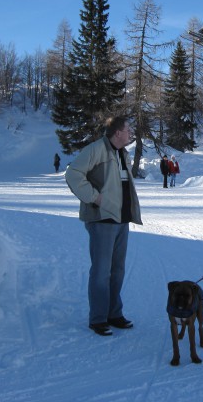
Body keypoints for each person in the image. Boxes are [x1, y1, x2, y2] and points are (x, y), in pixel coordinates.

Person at [65, 116, 143, 336]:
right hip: (101, 220)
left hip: (121, 219)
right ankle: (98, 318)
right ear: (117, 133)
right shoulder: (97, 149)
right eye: (128, 129)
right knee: (101, 271)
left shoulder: (122, 153)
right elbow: (73, 174)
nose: (130, 133)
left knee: (117, 271)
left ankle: (114, 314)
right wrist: (94, 197)